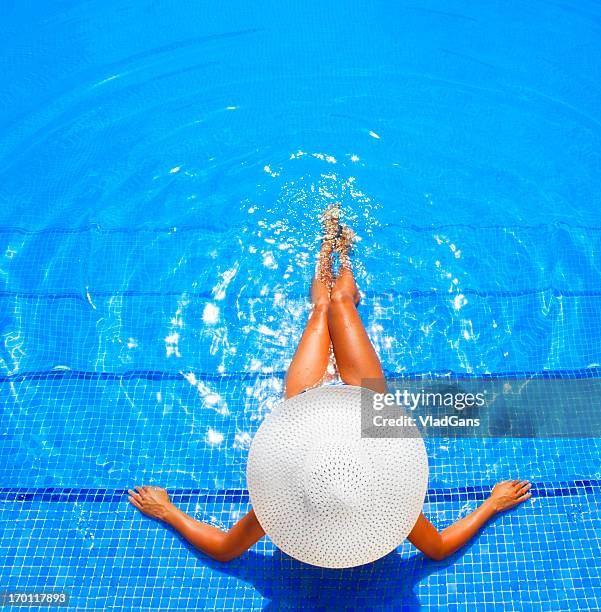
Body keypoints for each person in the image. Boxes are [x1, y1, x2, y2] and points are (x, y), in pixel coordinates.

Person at [128, 205, 531, 563]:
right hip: (363, 406)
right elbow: (438, 548)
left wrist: (168, 510)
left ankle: (329, 245)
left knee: (323, 308)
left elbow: (225, 550)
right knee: (339, 302)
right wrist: (491, 505)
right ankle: (343, 250)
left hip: (305, 407)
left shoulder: (284, 504)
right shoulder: (385, 503)